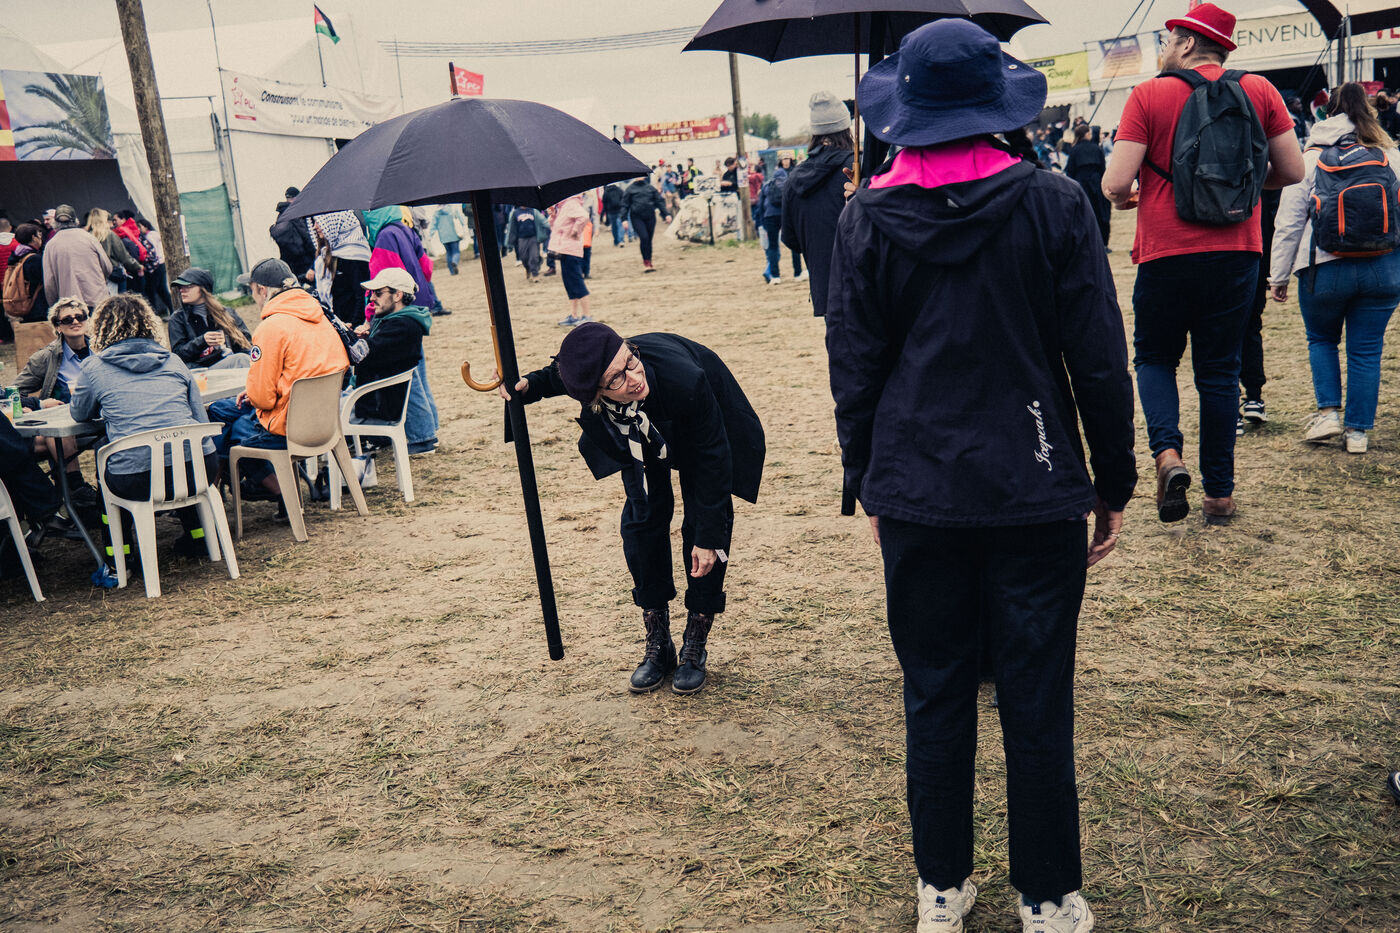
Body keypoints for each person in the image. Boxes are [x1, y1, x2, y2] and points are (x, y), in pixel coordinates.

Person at [828, 20, 1138, 933]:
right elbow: (1099, 357)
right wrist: (1111, 478)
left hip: (924, 493)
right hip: (1031, 485)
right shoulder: (1053, 204)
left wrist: (868, 477)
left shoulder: (866, 217)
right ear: (997, 107)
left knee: (935, 691)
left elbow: (854, 370)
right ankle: (1046, 894)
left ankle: (943, 886)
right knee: (1035, 695)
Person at [1102, 2, 1303, 525]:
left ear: (1188, 42)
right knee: (1219, 369)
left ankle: (1168, 455)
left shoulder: (1148, 94)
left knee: (1154, 358)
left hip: (1165, 251)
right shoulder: (1260, 90)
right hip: (1237, 251)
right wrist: (1235, 190)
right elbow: (1292, 171)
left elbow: (1115, 183)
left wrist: (1130, 196)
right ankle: (1220, 495)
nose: (1165, 48)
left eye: (1168, 40)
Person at [501, 323, 765, 695]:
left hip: (699, 422)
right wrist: (530, 385)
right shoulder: (595, 377)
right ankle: (658, 641)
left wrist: (708, 537)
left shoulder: (685, 380)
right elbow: (563, 374)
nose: (633, 377)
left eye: (631, 361)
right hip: (636, 431)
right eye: (616, 378)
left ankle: (695, 642)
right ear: (594, 393)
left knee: (705, 528)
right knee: (643, 520)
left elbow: (713, 461)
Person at [1269, 82, 1400, 455]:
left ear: (1328, 113)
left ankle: (1328, 413)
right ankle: (1358, 433)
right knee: (1367, 350)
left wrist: (1278, 276)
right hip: (1383, 269)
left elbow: (1289, 222)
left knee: (1322, 339)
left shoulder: (1310, 157)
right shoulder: (1390, 155)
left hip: (1323, 268)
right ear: (1370, 112)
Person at [70, 293, 219, 561]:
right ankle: (199, 539)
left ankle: (120, 558)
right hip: (200, 468)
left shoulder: (93, 368)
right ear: (149, 324)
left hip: (137, 478)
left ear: (100, 328)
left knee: (107, 483)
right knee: (176, 458)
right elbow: (200, 418)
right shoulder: (174, 361)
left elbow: (80, 413)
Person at [208, 259, 348, 502]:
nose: (253, 297)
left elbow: (263, 399)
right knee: (226, 413)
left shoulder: (271, 327)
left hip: (289, 426)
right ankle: (271, 490)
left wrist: (256, 394)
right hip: (325, 420)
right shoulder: (322, 316)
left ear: (262, 290)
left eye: (252, 290)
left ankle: (274, 492)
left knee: (232, 434)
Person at [16, 296, 101, 510]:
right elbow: (13, 392)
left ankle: (104, 493)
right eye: (67, 319)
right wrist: (37, 404)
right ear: (57, 326)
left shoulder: (101, 350)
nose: (75, 321)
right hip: (69, 422)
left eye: (80, 316)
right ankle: (76, 489)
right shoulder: (46, 357)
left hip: (101, 417)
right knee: (58, 432)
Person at [781, 91, 855, 317]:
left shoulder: (794, 178)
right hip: (864, 283)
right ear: (846, 128)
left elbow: (790, 238)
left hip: (825, 289)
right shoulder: (857, 170)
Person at [352, 267, 432, 425]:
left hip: (377, 411)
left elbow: (366, 355)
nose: (372, 298)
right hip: (372, 404)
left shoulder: (403, 326)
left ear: (397, 295)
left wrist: (350, 341)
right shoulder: (394, 321)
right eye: (372, 293)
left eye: (378, 293)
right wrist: (366, 337)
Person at [365, 207, 444, 318]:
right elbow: (426, 266)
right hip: (418, 297)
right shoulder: (407, 229)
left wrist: (371, 309)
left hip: (401, 306)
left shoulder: (384, 236)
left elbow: (383, 278)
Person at [168, 267, 253, 370]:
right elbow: (178, 355)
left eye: (188, 286)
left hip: (229, 366)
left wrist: (228, 343)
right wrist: (202, 341)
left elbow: (247, 344)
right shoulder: (177, 319)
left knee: (245, 359)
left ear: (203, 288)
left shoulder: (226, 313)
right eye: (180, 287)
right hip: (200, 372)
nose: (182, 290)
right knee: (240, 360)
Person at [309, 210, 374, 328]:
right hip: (336, 322)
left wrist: (354, 324)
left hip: (351, 326)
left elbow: (362, 295)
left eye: (319, 222)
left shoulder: (355, 254)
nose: (315, 227)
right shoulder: (325, 255)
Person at [42, 204, 111, 310]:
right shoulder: (89, 238)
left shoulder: (51, 245)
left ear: (55, 222)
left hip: (71, 305)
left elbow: (49, 283)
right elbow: (107, 267)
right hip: (98, 298)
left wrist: (54, 305)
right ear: (75, 220)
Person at [1064, 123, 1112, 249]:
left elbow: (1070, 171)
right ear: (1086, 134)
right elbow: (1102, 169)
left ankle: (1087, 243)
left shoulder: (1074, 150)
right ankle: (1103, 243)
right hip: (1096, 184)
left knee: (1084, 213)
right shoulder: (1097, 149)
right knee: (1100, 213)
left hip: (1080, 185)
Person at [549, 194, 592, 327]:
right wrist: (553, 215)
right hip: (564, 249)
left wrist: (575, 231)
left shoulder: (571, 203)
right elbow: (555, 228)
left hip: (571, 249)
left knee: (576, 282)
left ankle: (587, 315)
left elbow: (584, 216)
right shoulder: (562, 207)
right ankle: (573, 315)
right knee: (569, 283)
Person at [86, 208, 141, 295]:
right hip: (112, 275)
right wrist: (137, 266)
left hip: (95, 276)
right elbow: (123, 256)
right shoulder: (109, 234)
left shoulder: (86, 236)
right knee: (119, 300)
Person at [622, 174, 670, 273]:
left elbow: (659, 201)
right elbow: (624, 205)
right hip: (637, 217)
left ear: (644, 176)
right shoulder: (630, 189)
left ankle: (649, 260)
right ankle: (646, 262)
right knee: (644, 238)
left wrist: (666, 214)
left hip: (650, 217)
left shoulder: (650, 188)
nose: (639, 177)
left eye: (641, 175)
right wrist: (624, 219)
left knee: (649, 240)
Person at [5, 223, 50, 327]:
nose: (41, 238)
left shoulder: (17, 255)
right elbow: (41, 280)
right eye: (39, 235)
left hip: (25, 301)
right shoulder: (33, 259)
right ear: (33, 237)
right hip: (37, 304)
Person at [271, 188, 317, 281]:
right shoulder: (295, 213)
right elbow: (305, 235)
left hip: (289, 261)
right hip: (304, 260)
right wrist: (315, 254)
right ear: (297, 197)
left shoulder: (281, 215)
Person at [758, 161, 789, 283]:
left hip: (769, 216)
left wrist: (762, 222)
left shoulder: (767, 185)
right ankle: (798, 273)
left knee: (773, 246)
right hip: (785, 215)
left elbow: (761, 205)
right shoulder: (788, 184)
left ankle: (775, 276)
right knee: (795, 246)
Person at [134, 217, 172, 315]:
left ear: (146, 226)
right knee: (161, 289)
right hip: (161, 263)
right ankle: (172, 309)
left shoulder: (149, 237)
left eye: (140, 226)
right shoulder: (154, 234)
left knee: (152, 290)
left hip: (156, 265)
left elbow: (152, 252)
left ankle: (155, 313)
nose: (138, 229)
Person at [506, 205, 545, 280]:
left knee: (534, 256)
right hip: (521, 238)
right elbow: (512, 227)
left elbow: (541, 221)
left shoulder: (533, 211)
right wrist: (510, 241)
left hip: (533, 237)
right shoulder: (515, 212)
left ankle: (535, 274)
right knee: (524, 257)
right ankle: (528, 268)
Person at [431, 204, 467, 274]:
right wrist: (463, 226)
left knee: (449, 253)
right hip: (454, 235)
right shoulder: (453, 209)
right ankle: (454, 262)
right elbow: (461, 219)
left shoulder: (436, 213)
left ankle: (452, 271)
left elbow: (433, 225)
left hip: (443, 236)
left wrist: (430, 236)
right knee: (456, 251)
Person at [602, 183, 628, 247]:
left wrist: (604, 212)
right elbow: (624, 199)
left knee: (614, 227)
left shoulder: (606, 192)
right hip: (619, 210)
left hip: (611, 212)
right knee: (620, 225)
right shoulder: (619, 190)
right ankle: (621, 240)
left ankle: (616, 241)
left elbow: (604, 203)